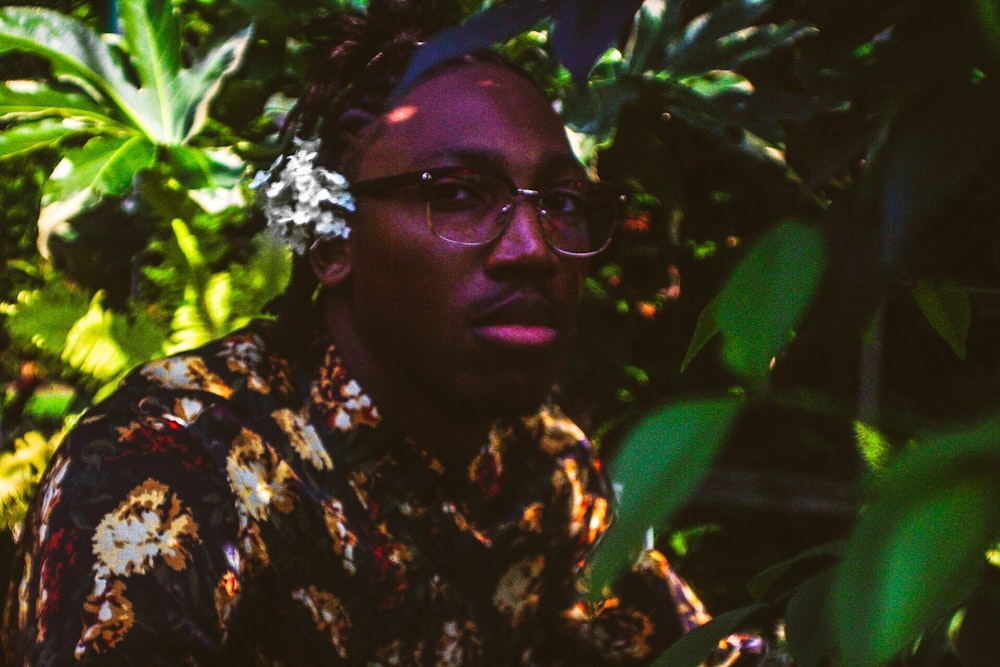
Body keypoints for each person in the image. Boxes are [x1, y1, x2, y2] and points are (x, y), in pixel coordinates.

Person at [2, 2, 766, 665]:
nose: (534, 247)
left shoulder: (542, 467)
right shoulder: (171, 475)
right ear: (334, 242)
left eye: (563, 201)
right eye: (460, 194)